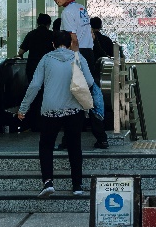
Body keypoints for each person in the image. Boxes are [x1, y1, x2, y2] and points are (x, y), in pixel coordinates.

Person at [18, 28, 103, 197]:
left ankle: (48, 182)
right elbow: (91, 81)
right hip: (74, 109)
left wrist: (23, 109)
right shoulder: (78, 58)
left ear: (52, 44)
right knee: (74, 146)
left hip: (51, 110)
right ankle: (77, 186)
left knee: (46, 145)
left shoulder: (46, 59)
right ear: (69, 43)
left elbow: (35, 85)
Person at [50, 0, 107, 148]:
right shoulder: (81, 8)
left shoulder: (67, 13)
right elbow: (90, 35)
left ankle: (70, 138)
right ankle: (100, 136)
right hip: (88, 53)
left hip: (78, 54)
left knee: (73, 96)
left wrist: (73, 59)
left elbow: (73, 39)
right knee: (90, 93)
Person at [16, 14, 53, 131]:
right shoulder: (51, 35)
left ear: (37, 23)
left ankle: (34, 123)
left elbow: (21, 51)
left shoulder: (31, 34)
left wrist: (20, 56)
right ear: (49, 24)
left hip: (33, 68)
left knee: (33, 93)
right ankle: (46, 121)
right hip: (49, 68)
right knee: (46, 93)